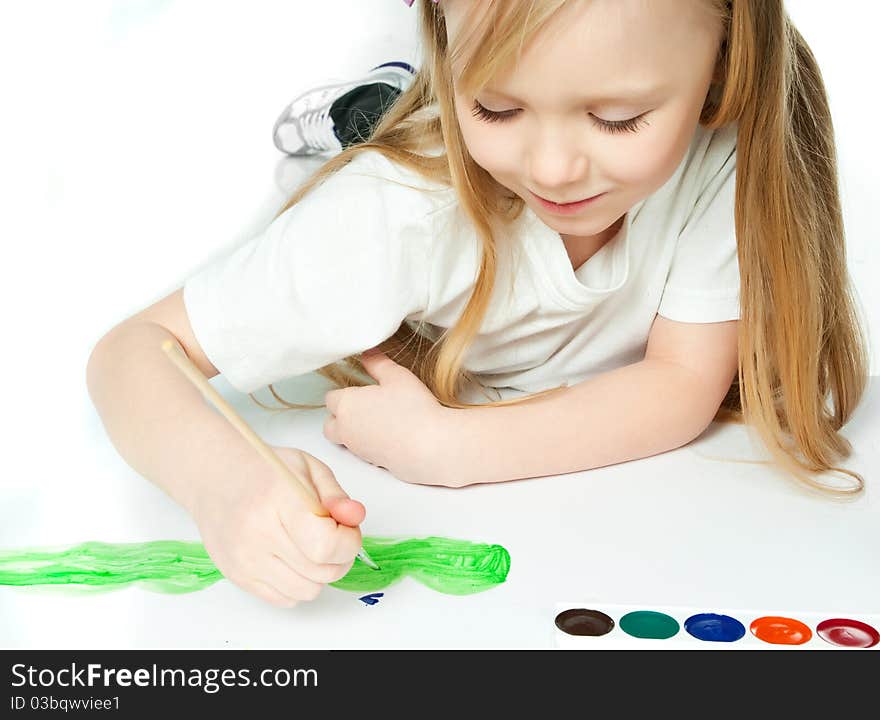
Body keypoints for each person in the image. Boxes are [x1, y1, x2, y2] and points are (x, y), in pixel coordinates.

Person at [86, 0, 870, 608]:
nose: (556, 169)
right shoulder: (391, 214)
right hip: (393, 194)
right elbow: (132, 352)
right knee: (377, 151)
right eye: (497, 107)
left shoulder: (725, 150)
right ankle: (364, 114)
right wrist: (222, 484)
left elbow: (680, 383)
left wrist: (453, 448)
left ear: (724, 64)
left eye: (619, 117)